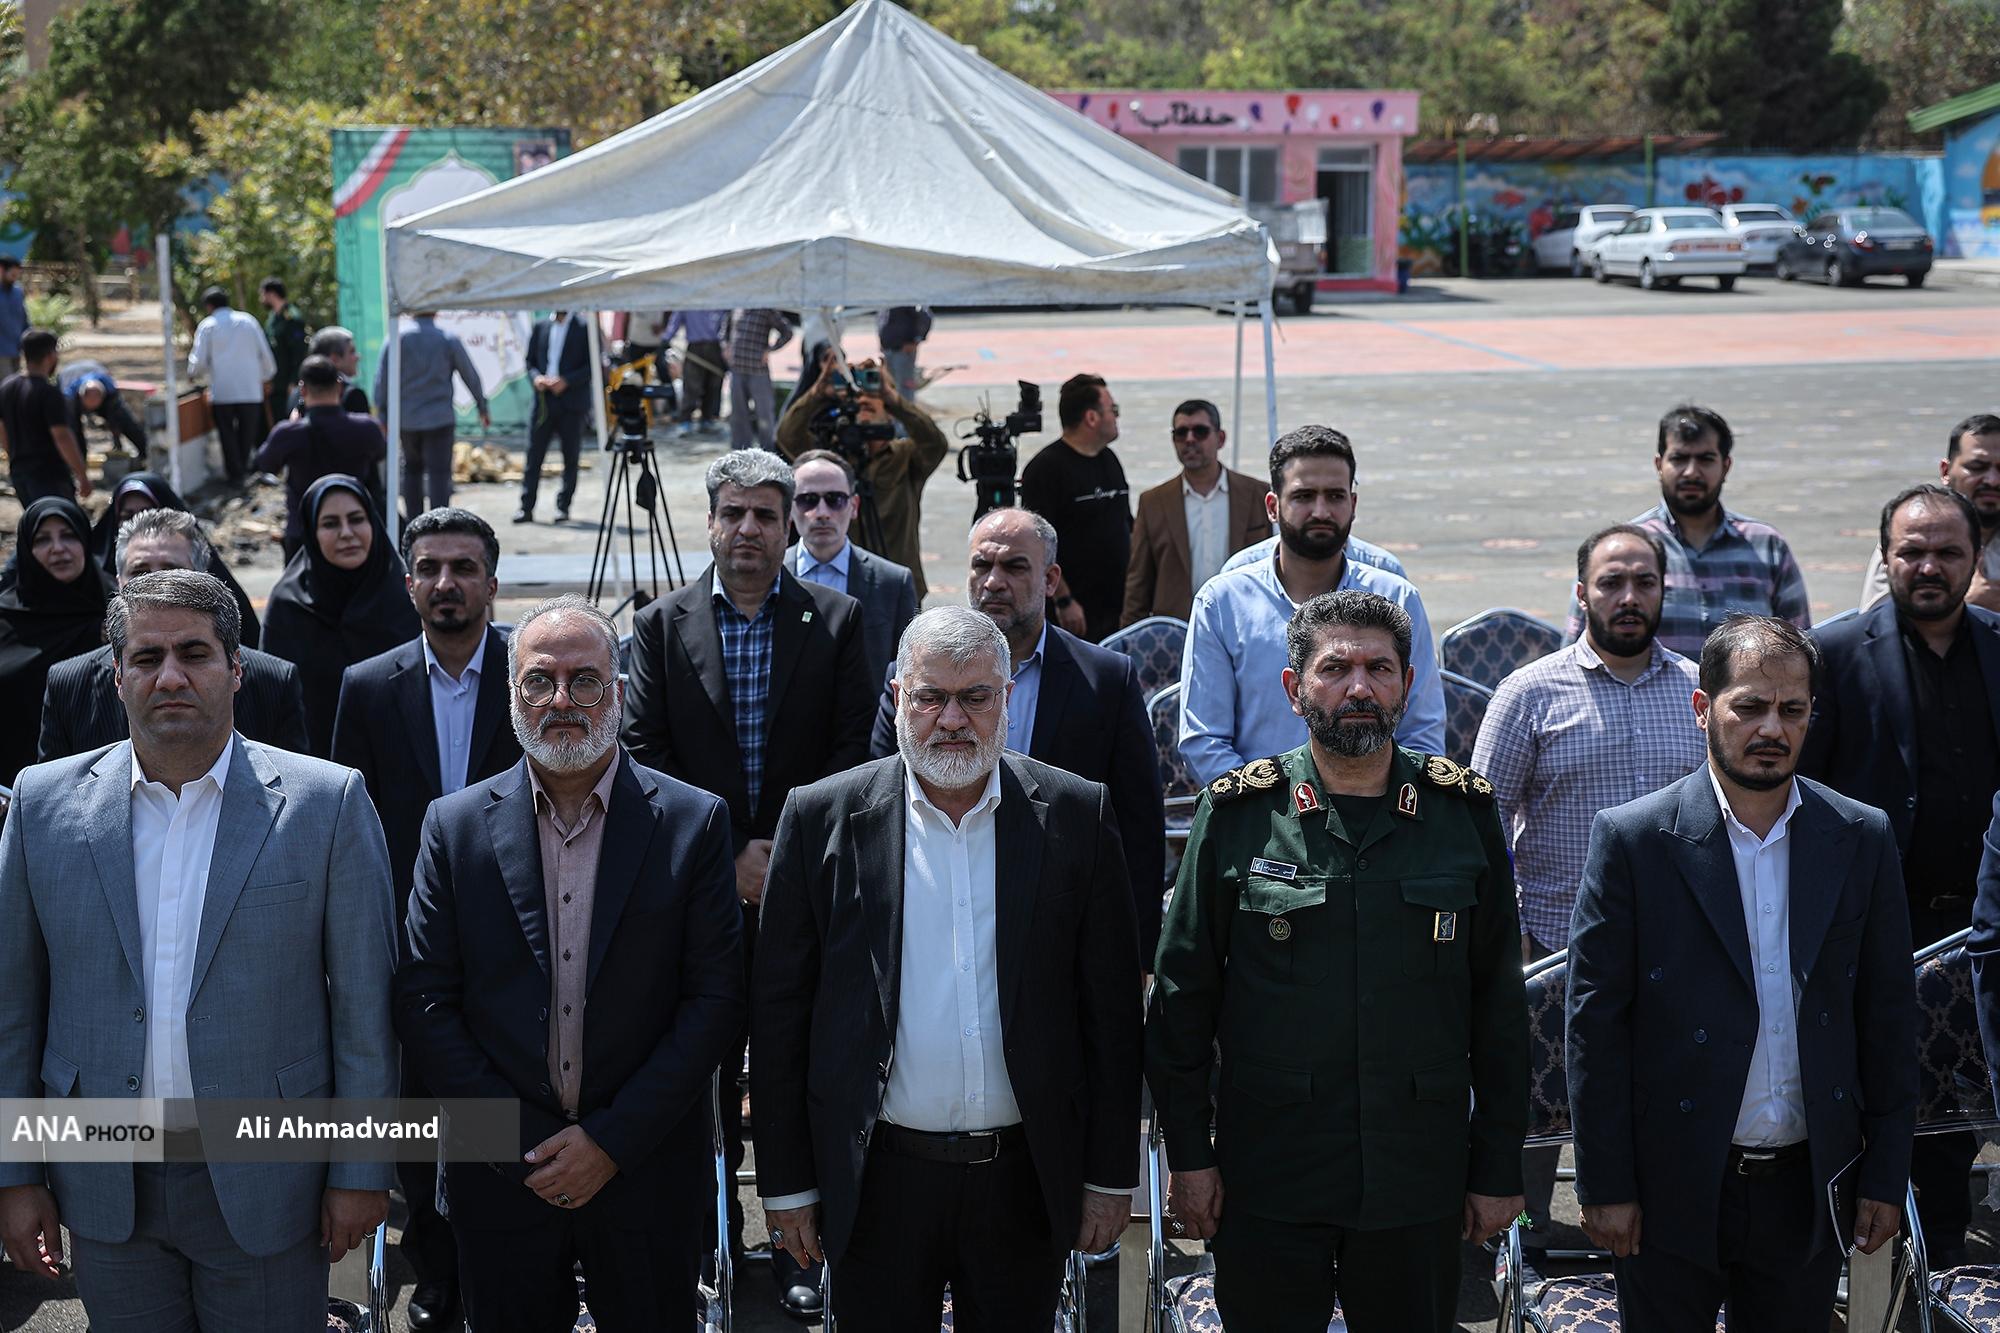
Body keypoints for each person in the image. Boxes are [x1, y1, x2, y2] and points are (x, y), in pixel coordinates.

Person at [0, 567, 399, 1328]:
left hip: (270, 1183)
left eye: (194, 653)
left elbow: (364, 1013)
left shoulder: (327, 803)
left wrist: (361, 1168)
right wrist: (14, 1174)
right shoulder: (42, 805)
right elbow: (13, 1010)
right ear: (116, 675)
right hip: (104, 1180)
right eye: (147, 658)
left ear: (236, 668)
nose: (171, 676)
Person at [1148, 589, 1528, 1332]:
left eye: (1379, 669)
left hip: (1416, 1175)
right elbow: (1182, 998)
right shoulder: (1239, 815)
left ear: (1407, 684)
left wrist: (1498, 1164)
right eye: (1336, 669)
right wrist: (1189, 1157)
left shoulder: (1461, 815)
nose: (1360, 687)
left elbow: (1499, 1008)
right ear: (1295, 688)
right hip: (1271, 1174)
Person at [754, 606, 1142, 1331]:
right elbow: (780, 1017)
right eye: (931, 696)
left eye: (975, 696)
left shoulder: (1075, 814)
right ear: (898, 696)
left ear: (1007, 698)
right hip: (877, 1182)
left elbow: (1113, 1014)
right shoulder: (818, 817)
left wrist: (1111, 1173)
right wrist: (787, 1185)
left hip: (1024, 1181)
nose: (953, 719)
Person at [395, 595, 745, 1333]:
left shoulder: (693, 821)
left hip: (646, 1168)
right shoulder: (454, 828)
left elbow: (715, 1000)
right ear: (511, 693)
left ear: (618, 691)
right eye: (539, 681)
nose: (561, 700)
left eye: (584, 680)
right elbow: (426, 1001)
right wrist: (520, 1142)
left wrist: (609, 1142)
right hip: (501, 1177)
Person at [1566, 614, 1916, 1331]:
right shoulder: (1634, 840)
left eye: (1792, 710)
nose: (1772, 729)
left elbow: (1888, 1017)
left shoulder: (1860, 836)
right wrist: (1604, 1184)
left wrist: (1884, 1172)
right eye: (1749, 706)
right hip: (1670, 1183)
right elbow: (1594, 1028)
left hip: (1806, 1186)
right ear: (1703, 709)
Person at [619, 447, 875, 1318]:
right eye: (734, 513)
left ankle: (799, 1246)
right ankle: (707, 1237)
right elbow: (644, 751)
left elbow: (854, 749)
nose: (749, 529)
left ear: (789, 523)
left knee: (797, 1069)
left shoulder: (837, 619)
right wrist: (728, 854)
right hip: (699, 893)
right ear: (710, 522)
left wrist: (784, 855)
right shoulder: (660, 625)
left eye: (767, 514)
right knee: (699, 1074)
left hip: (808, 891)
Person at [1471, 523, 1704, 1278]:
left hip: (1679, 950)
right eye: (1611, 582)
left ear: (1664, 590)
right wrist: (1498, 938)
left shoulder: (1702, 691)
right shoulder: (1529, 692)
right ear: (1581, 593)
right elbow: (1480, 822)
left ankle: (1658, 1241)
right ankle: (1521, 1245)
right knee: (1535, 1108)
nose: (1628, 596)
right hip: (1553, 948)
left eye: (1643, 581)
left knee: (1664, 1105)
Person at [331, 506, 520, 1328]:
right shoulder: (369, 685)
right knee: (416, 1112)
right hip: (408, 941)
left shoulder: (529, 671)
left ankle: (498, 1269)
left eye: (464, 567)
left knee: (500, 1114)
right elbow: (351, 823)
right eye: (431, 568)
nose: (448, 583)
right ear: (408, 582)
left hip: (518, 936)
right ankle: (437, 1270)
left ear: (491, 581)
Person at [1801, 483, 1999, 1265]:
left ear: (1976, 558)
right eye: (1911, 550)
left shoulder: (1998, 645)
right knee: (1882, 1106)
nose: (1929, 565)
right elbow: (1802, 799)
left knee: (1960, 1115)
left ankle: (1943, 1266)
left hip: (1983, 932)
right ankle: (1865, 1269)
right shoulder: (1833, 653)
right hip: (1881, 929)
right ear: (1885, 558)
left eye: (1948, 551)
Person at [867, 508, 1168, 960]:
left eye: (1014, 567)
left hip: (1063, 926)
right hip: (935, 913)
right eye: (981, 565)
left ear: (1050, 580)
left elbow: (1139, 825)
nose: (993, 582)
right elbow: (881, 791)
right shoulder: (913, 677)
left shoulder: (1106, 680)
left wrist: (1140, 954)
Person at [1180, 425, 1445, 782]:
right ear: (1273, 506)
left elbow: (1422, 732)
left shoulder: (1396, 597)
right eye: (1303, 496)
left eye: (1335, 496)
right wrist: (1268, 807)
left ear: (1353, 504)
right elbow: (1204, 741)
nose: (1321, 511)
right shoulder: (1223, 602)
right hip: (1260, 811)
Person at [41, 507, 306, 760]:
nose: (157, 584)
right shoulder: (70, 685)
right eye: (140, 572)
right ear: (118, 582)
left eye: (172, 570)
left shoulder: (271, 681)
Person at [1566, 404, 1810, 657]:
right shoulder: (1623, 549)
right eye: (1679, 459)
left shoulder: (1767, 546)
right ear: (1659, 465)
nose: (1692, 472)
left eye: (1705, 459)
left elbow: (1800, 646)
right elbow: (1575, 651)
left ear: (1726, 466)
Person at [261, 475, 421, 757]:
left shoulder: (406, 598)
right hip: (311, 765)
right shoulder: (288, 606)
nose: (346, 533)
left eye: (357, 519)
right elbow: (271, 701)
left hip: (398, 760)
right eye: (330, 524)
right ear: (312, 532)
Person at [775, 347, 950, 599]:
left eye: (871, 403)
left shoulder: (905, 458)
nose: (862, 405)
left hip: (897, 587)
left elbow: (934, 443)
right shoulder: (833, 460)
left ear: (888, 414)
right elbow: (788, 437)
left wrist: (893, 399)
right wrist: (818, 393)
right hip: (841, 584)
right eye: (857, 403)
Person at [1122, 397, 1272, 626]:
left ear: (1220, 438)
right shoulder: (1153, 502)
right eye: (1181, 433)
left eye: (1200, 432)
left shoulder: (1258, 494)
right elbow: (1138, 582)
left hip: (1245, 623)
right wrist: (1130, 635)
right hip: (1178, 630)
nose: (1189, 439)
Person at [0, 498, 114, 784]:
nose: (58, 548)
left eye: (69, 535)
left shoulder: (116, 610)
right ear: (26, 549)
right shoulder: (6, 617)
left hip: (101, 781)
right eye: (42, 540)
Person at [786, 447, 919, 688]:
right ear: (789, 508)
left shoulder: (892, 582)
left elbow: (908, 672)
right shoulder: (771, 575)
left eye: (835, 500)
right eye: (808, 500)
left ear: (854, 506)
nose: (822, 513)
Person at [86, 471, 263, 645]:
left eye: (170, 570)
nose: (154, 581)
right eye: (128, 516)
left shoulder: (201, 571)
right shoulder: (93, 577)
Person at [1020, 373, 1132, 642]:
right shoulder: (1046, 469)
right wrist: (1064, 599)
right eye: (1113, 410)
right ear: (1091, 418)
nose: (1116, 417)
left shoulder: (1109, 460)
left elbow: (1126, 524)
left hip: (1116, 609)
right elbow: (1038, 545)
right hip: (1072, 616)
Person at [1860, 413, 2000, 615]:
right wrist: (1965, 604)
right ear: (1946, 471)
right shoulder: (1912, 534)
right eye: (1977, 467)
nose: (1993, 480)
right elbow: (1874, 624)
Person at [252, 355, 390, 556]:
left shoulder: (288, 433)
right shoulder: (367, 428)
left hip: (304, 531)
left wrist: (292, 426)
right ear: (340, 387)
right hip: (354, 530)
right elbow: (381, 453)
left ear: (303, 390)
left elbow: (265, 463)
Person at [374, 311, 491, 517]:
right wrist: (482, 406)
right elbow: (469, 374)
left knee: (412, 469)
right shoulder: (447, 339)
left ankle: (414, 523)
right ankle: (440, 523)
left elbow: (381, 380)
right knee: (439, 474)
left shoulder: (396, 339)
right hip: (440, 419)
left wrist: (383, 414)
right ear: (435, 311)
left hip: (407, 420)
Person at [186, 287, 276, 485]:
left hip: (223, 391)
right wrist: (266, 376)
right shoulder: (248, 321)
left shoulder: (208, 326)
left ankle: (235, 475)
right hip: (250, 391)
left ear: (209, 306)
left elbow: (198, 362)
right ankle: (243, 470)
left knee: (227, 434)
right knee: (247, 433)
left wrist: (192, 374)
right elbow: (265, 354)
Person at [516, 310, 594, 524]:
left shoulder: (584, 328)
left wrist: (566, 381)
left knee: (571, 457)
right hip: (544, 402)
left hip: (571, 402)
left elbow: (592, 366)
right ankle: (526, 507)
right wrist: (537, 378)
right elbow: (530, 362)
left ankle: (563, 507)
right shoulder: (541, 327)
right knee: (534, 456)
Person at [1, 327, 91, 503]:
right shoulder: (49, 393)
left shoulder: (6, 388)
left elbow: (2, 431)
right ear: (50, 356)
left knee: (36, 518)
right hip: (49, 476)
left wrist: (13, 457)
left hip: (19, 474)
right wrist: (82, 475)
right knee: (61, 518)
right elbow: (62, 436)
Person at [725, 308, 793, 450]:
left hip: (758, 371)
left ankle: (768, 450)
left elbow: (787, 332)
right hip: (737, 370)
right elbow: (725, 331)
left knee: (764, 414)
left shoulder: (765, 309)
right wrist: (726, 347)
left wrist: (770, 349)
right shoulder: (737, 308)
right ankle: (740, 450)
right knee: (738, 414)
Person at [60, 358, 147, 456]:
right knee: (73, 429)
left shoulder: (110, 391)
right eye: (90, 402)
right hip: (72, 389)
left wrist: (117, 442)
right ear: (82, 397)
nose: (92, 407)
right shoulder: (70, 396)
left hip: (98, 380)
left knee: (125, 421)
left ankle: (146, 453)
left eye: (95, 401)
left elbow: (114, 418)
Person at [282, 326, 372, 418]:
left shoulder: (296, 395)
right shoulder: (353, 396)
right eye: (352, 351)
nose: (358, 357)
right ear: (334, 359)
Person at [663, 309, 728, 435]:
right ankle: (685, 421)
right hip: (695, 348)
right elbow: (675, 320)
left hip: (715, 347)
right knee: (691, 387)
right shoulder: (689, 303)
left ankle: (708, 419)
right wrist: (666, 338)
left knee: (713, 386)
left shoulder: (719, 302)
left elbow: (727, 322)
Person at [260, 277, 309, 424]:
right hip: (276, 384)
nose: (262, 299)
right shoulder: (272, 319)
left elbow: (299, 352)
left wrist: (294, 381)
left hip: (288, 384)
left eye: (263, 294)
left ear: (271, 294)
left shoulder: (291, 318)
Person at [876, 305, 931, 399]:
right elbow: (882, 320)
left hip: (903, 350)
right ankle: (895, 405)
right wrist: (882, 340)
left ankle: (907, 404)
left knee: (905, 383)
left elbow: (926, 317)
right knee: (890, 382)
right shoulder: (888, 303)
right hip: (888, 348)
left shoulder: (908, 302)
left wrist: (916, 340)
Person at [0, 255, 25, 375]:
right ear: (1, 270)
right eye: (12, 275)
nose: (15, 279)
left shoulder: (18, 292)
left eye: (17, 275)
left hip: (16, 349)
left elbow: (24, 318)